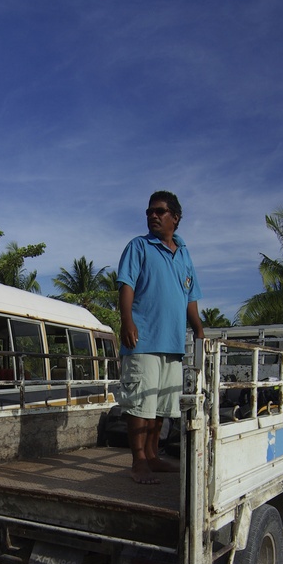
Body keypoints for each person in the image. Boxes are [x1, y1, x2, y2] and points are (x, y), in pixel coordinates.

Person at [117, 191, 203, 483]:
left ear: (175, 218)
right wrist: (126, 320)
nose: (153, 216)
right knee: (140, 402)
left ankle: (153, 456)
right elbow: (126, 284)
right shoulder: (139, 246)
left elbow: (190, 297)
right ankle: (138, 461)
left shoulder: (185, 254)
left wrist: (200, 330)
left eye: (160, 211)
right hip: (143, 340)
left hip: (173, 344)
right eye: (150, 212)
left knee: (160, 406)